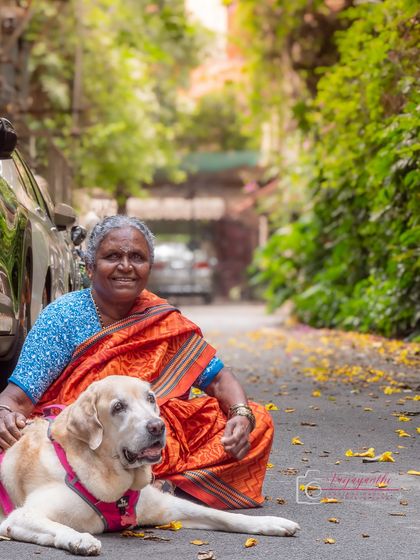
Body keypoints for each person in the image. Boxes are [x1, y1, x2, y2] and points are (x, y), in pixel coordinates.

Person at [0, 215, 273, 509]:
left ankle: (159, 490)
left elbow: (218, 379)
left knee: (259, 422)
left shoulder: (164, 320)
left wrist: (241, 414)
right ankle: (130, 495)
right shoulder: (64, 317)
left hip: (156, 443)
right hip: (86, 446)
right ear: (90, 268)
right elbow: (18, 397)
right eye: (113, 256)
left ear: (149, 268)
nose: (126, 266)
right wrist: (4, 413)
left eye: (137, 257)